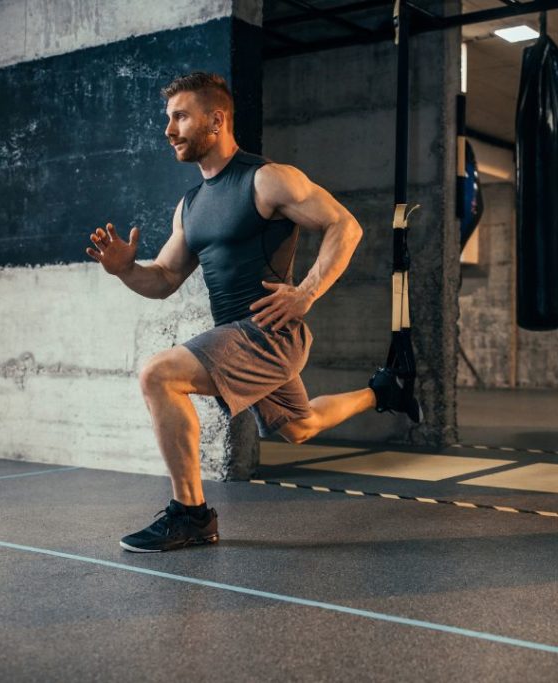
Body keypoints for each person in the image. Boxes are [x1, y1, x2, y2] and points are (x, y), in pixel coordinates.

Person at [85, 72, 421, 553]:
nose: (168, 129)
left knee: (159, 375)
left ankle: (192, 516)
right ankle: (381, 390)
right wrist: (124, 269)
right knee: (300, 427)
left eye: (180, 116)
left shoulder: (266, 179)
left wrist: (305, 293)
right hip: (240, 337)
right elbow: (162, 278)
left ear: (216, 119)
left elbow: (345, 227)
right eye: (168, 118)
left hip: (270, 334)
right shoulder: (191, 205)